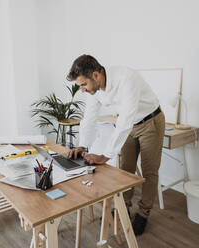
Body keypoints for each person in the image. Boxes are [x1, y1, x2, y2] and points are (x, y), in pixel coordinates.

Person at [66, 54, 165, 236]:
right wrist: (82, 146)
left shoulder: (126, 78)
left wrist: (105, 155)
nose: (82, 90)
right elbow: (89, 117)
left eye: (83, 84)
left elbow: (126, 118)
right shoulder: (94, 90)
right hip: (128, 125)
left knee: (149, 171)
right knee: (125, 171)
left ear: (95, 75)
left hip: (150, 122)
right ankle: (123, 207)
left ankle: (143, 213)